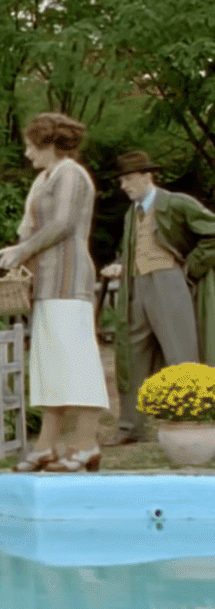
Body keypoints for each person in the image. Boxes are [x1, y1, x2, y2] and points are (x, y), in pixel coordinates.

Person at [0, 113, 109, 473]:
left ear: (49, 144)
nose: (27, 153)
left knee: (77, 361)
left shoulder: (71, 175)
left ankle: (87, 443)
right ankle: (46, 445)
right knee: (50, 365)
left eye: (31, 145)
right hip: (45, 283)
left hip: (68, 279)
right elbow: (31, 226)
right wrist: (18, 252)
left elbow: (62, 223)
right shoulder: (45, 178)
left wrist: (23, 250)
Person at [99, 150, 215, 445]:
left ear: (146, 175)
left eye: (128, 178)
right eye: (122, 180)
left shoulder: (175, 203)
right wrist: (121, 265)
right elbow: (133, 249)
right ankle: (130, 428)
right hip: (136, 286)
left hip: (169, 283)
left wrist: (191, 269)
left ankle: (192, 424)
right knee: (131, 354)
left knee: (181, 354)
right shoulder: (132, 213)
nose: (124, 185)